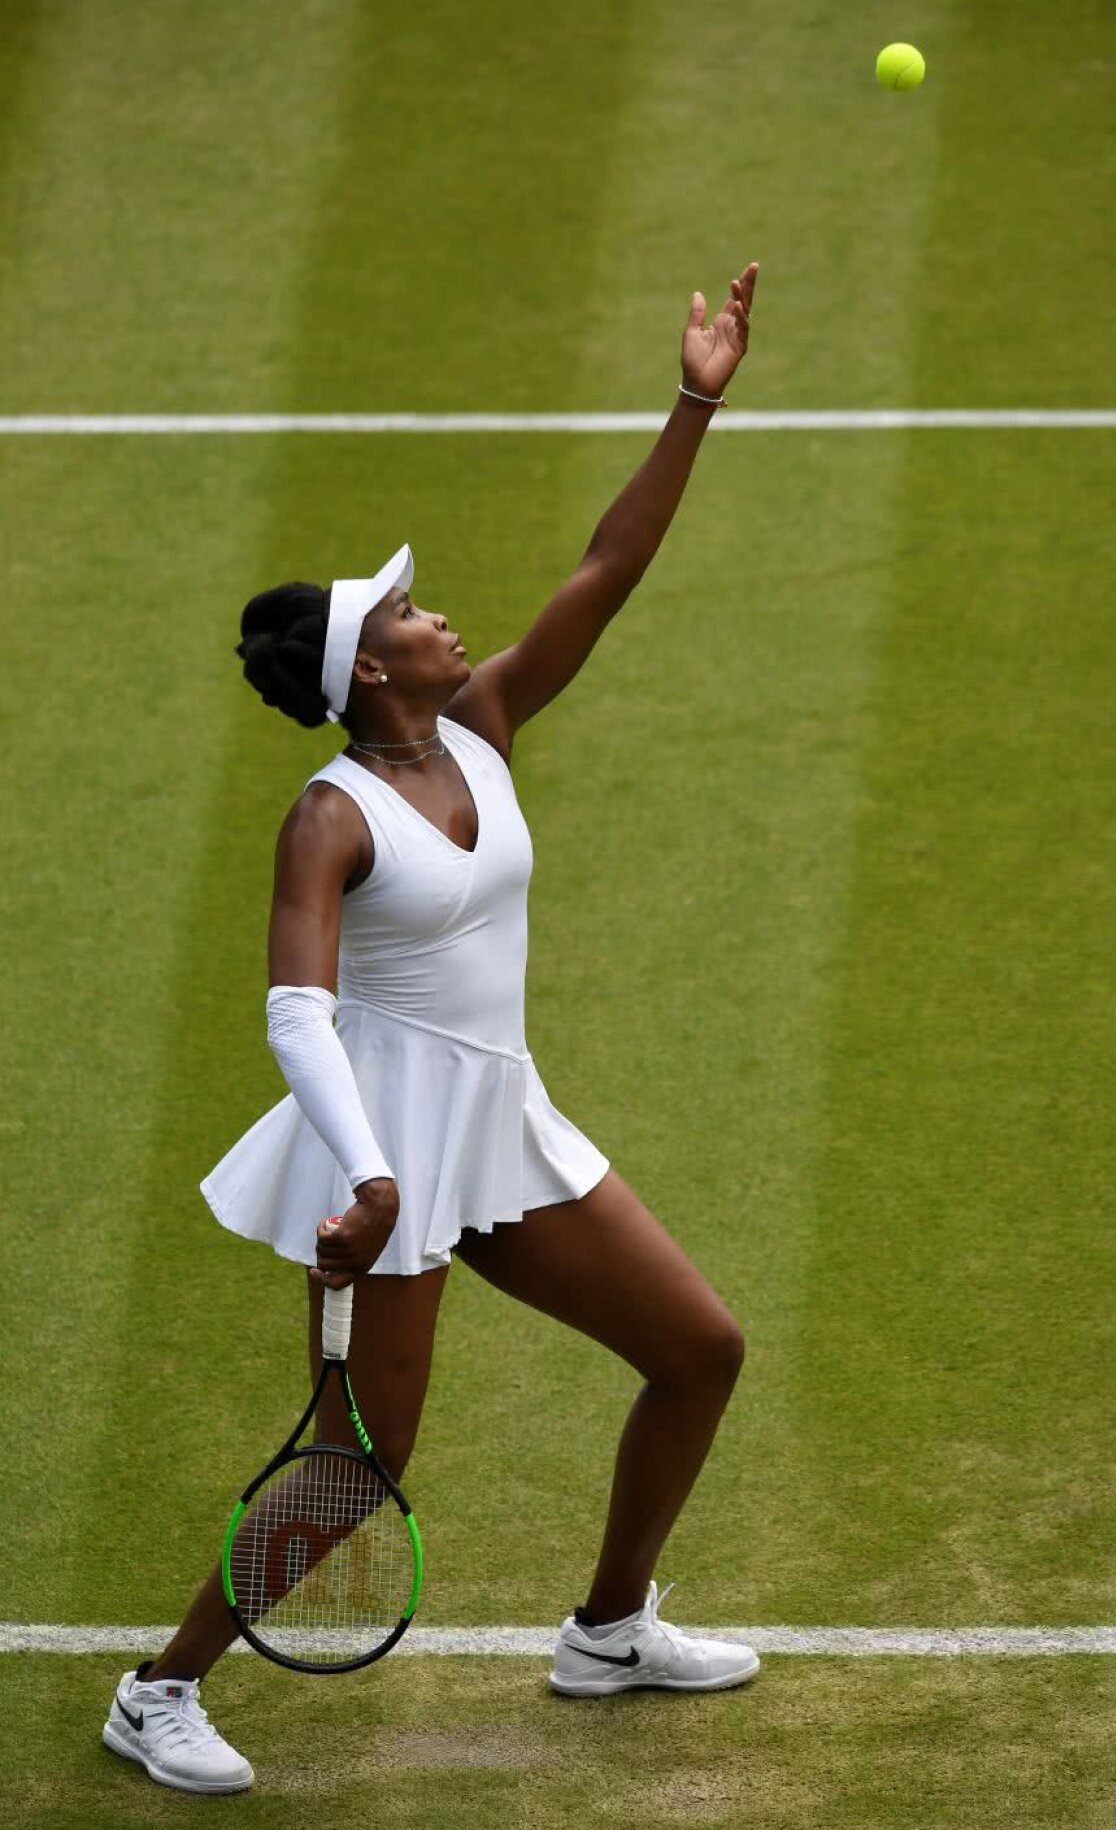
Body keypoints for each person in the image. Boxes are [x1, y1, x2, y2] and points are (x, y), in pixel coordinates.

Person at [103, 264, 761, 1796]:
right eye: (405, 612)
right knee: (356, 1466)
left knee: (699, 1349)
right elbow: (297, 1009)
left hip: (498, 1119)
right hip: (384, 1148)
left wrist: (695, 398)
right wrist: (365, 1172)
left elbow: (609, 566)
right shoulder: (327, 819)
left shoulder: (485, 724)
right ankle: (158, 1687)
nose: (436, 612)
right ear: (368, 669)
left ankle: (608, 1630)